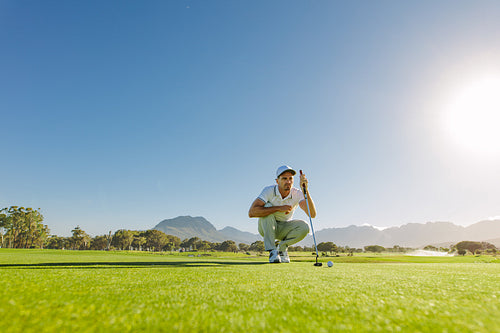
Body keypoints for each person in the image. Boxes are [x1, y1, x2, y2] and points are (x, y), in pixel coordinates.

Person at [248, 165, 317, 263]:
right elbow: (251, 212)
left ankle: (282, 247)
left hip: (284, 229)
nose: (288, 182)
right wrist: (278, 208)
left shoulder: (297, 193)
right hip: (266, 227)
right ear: (277, 181)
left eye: (290, 179)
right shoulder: (269, 190)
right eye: (284, 178)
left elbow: (312, 214)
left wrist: (305, 190)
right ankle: (272, 251)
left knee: (304, 226)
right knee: (267, 207)